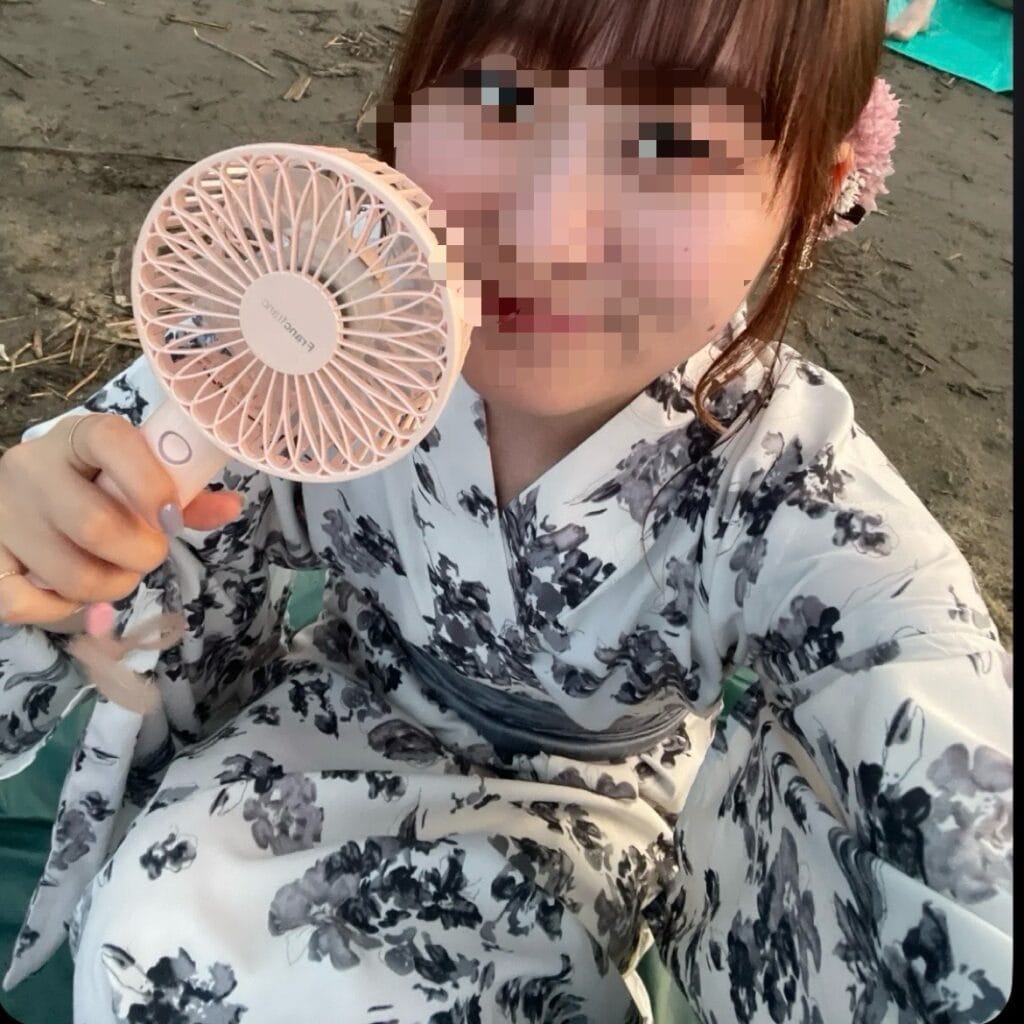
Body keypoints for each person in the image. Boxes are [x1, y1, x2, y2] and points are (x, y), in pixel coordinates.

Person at [0, 1, 1011, 1021]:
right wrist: (53, 534)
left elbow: (931, 723)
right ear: (406, 101)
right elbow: (111, 486)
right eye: (500, 96)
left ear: (810, 197)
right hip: (308, 733)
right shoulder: (328, 330)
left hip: (582, 825)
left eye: (673, 143)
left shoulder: (789, 489)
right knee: (156, 934)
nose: (543, 231)